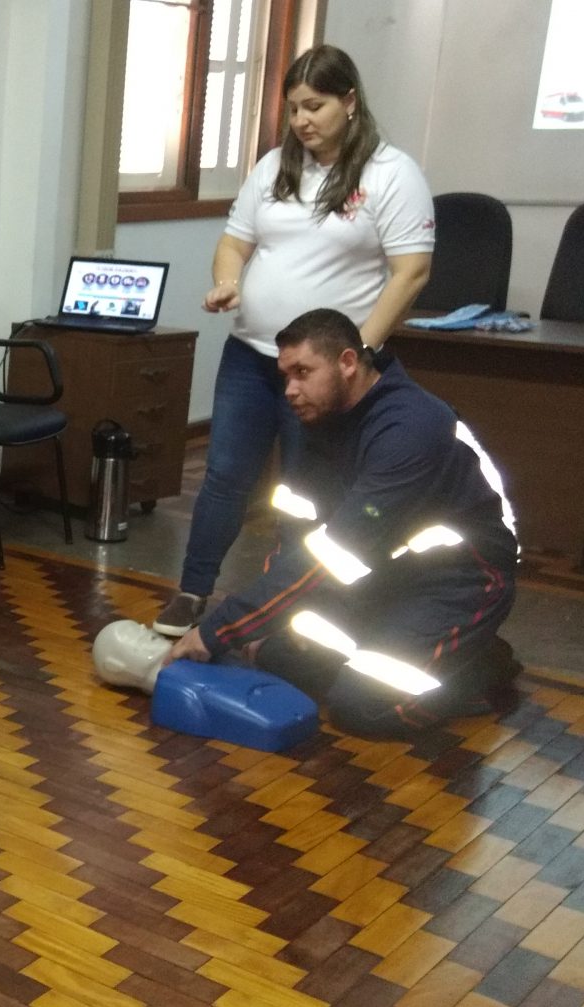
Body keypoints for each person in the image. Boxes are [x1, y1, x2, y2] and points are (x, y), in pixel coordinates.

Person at [155, 45, 436, 638]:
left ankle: (289, 605)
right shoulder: (275, 167)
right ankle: (192, 591)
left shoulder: (391, 173)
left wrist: (359, 354)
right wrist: (228, 282)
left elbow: (411, 272)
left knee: (305, 493)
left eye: (315, 106)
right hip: (251, 356)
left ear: (349, 101)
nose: (302, 120)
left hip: (325, 372)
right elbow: (235, 242)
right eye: (293, 109)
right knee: (224, 477)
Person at [164, 308, 519, 738]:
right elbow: (298, 531)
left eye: (302, 373)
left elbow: (337, 550)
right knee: (279, 656)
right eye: (285, 376)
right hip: (383, 575)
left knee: (364, 707)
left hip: (459, 580)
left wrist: (218, 630)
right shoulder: (322, 419)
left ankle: (480, 665)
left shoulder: (411, 426)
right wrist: (267, 622)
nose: (290, 391)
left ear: (347, 362)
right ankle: (403, 643)